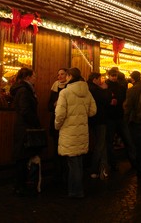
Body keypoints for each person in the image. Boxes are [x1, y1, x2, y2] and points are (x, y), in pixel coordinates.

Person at [55, 67, 97, 198]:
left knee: (72, 164)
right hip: (82, 132)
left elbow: (60, 114)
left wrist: (57, 125)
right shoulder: (87, 92)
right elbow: (93, 111)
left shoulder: (65, 93)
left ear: (70, 76)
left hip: (69, 132)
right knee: (78, 162)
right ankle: (78, 189)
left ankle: (76, 191)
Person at [10, 67, 41, 196]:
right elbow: (25, 110)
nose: (35, 78)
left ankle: (20, 185)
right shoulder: (24, 91)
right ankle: (20, 186)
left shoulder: (23, 89)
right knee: (22, 158)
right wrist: (35, 123)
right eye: (34, 76)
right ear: (28, 77)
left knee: (22, 157)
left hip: (23, 127)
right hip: (25, 128)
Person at [105, 67, 136, 171]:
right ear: (109, 76)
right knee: (112, 141)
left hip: (118, 116)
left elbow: (124, 100)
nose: (114, 77)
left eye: (115, 75)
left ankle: (132, 162)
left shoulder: (119, 87)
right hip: (111, 117)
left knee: (127, 140)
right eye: (112, 75)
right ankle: (113, 164)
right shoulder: (105, 87)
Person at [87, 72, 111, 180]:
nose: (101, 81)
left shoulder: (88, 87)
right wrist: (105, 89)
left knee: (102, 144)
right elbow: (106, 100)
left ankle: (103, 169)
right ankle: (94, 169)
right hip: (99, 120)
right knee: (100, 144)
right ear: (95, 79)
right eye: (99, 79)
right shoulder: (95, 89)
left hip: (92, 120)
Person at [47, 68, 68, 184]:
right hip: (55, 122)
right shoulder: (55, 86)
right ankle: (57, 174)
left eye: (62, 74)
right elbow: (49, 106)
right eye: (58, 74)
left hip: (66, 123)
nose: (59, 76)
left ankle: (65, 173)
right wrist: (54, 104)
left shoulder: (70, 87)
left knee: (65, 149)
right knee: (56, 149)